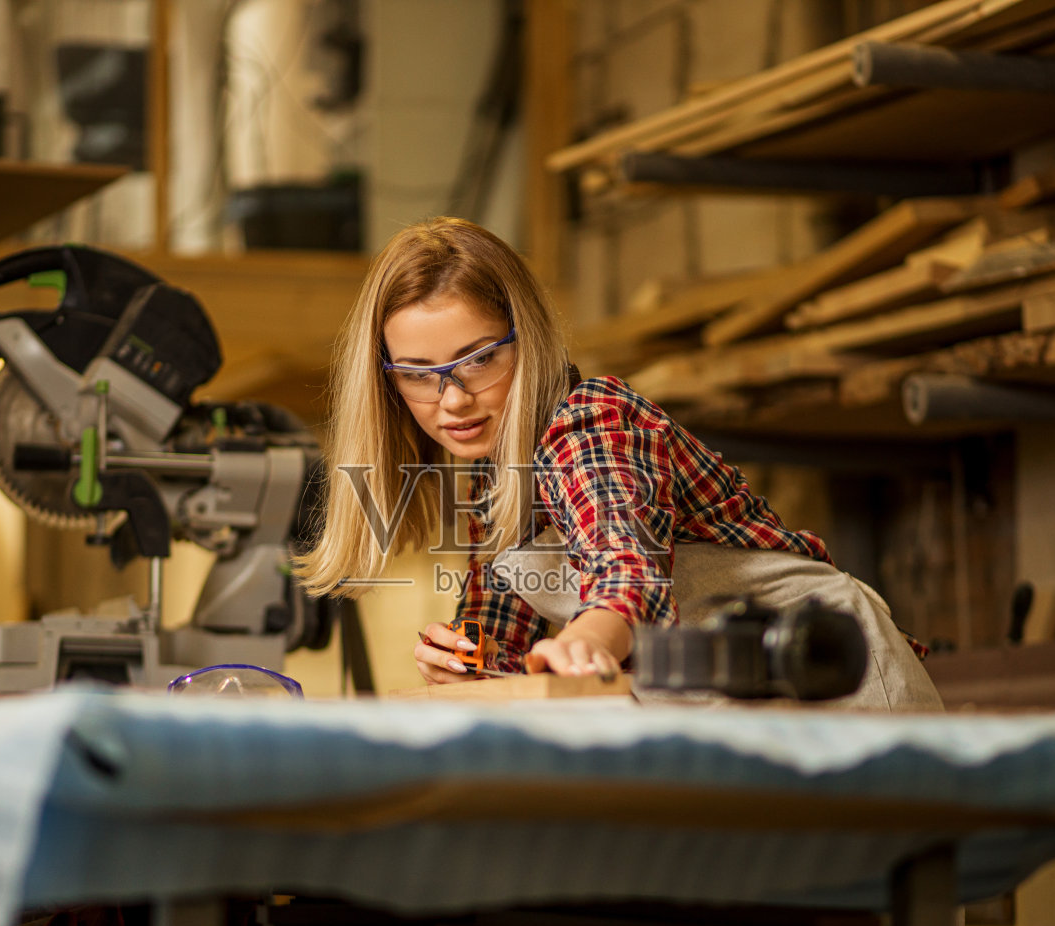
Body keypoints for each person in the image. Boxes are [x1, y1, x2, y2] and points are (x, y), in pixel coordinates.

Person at [294, 217, 941, 709]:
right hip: (739, 703)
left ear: (527, 339)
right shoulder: (496, 483)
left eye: (481, 358)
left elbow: (627, 575)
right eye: (417, 373)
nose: (453, 398)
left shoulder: (590, 422)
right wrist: (464, 664)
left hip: (837, 678)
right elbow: (507, 650)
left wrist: (588, 641)